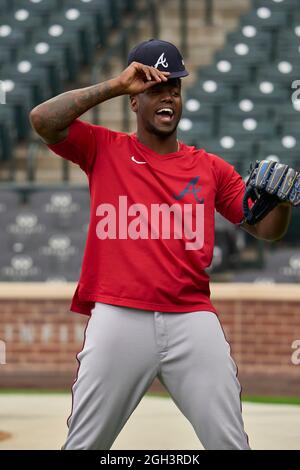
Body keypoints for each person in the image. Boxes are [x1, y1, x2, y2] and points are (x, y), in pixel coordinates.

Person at [29, 38, 291, 450]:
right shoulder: (103, 148)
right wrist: (116, 85)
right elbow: (43, 119)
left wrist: (283, 202)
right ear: (135, 100)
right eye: (155, 88)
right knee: (85, 445)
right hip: (119, 315)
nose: (168, 95)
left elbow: (266, 228)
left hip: (192, 319)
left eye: (175, 88)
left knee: (230, 443)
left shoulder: (209, 167)